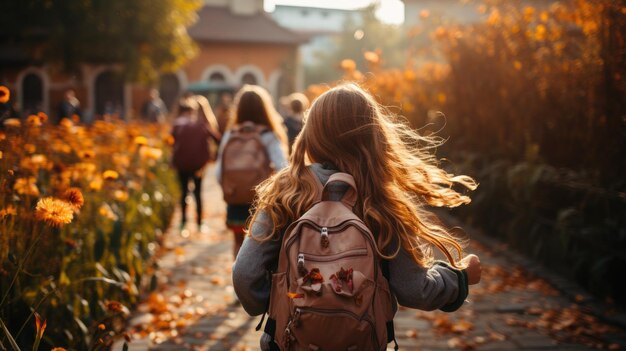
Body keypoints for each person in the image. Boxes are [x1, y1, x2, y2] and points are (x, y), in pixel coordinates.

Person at [232, 83, 482, 350]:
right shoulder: (380, 200)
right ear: (374, 135)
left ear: (312, 133)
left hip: (288, 341)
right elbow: (414, 289)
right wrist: (461, 277)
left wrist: (286, 299)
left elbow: (245, 275)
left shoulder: (287, 191)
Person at [215, 85, 288, 260]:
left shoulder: (231, 134)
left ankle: (237, 280)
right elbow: (282, 168)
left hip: (235, 200)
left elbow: (219, 172)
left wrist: (232, 189)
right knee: (261, 246)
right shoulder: (267, 135)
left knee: (238, 243)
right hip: (261, 202)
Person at [171, 97, 220, 235]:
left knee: (184, 192)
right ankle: (199, 224)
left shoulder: (177, 125)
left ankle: (183, 223)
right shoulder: (201, 125)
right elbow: (217, 138)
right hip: (199, 165)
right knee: (198, 192)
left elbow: (171, 141)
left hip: (181, 164)